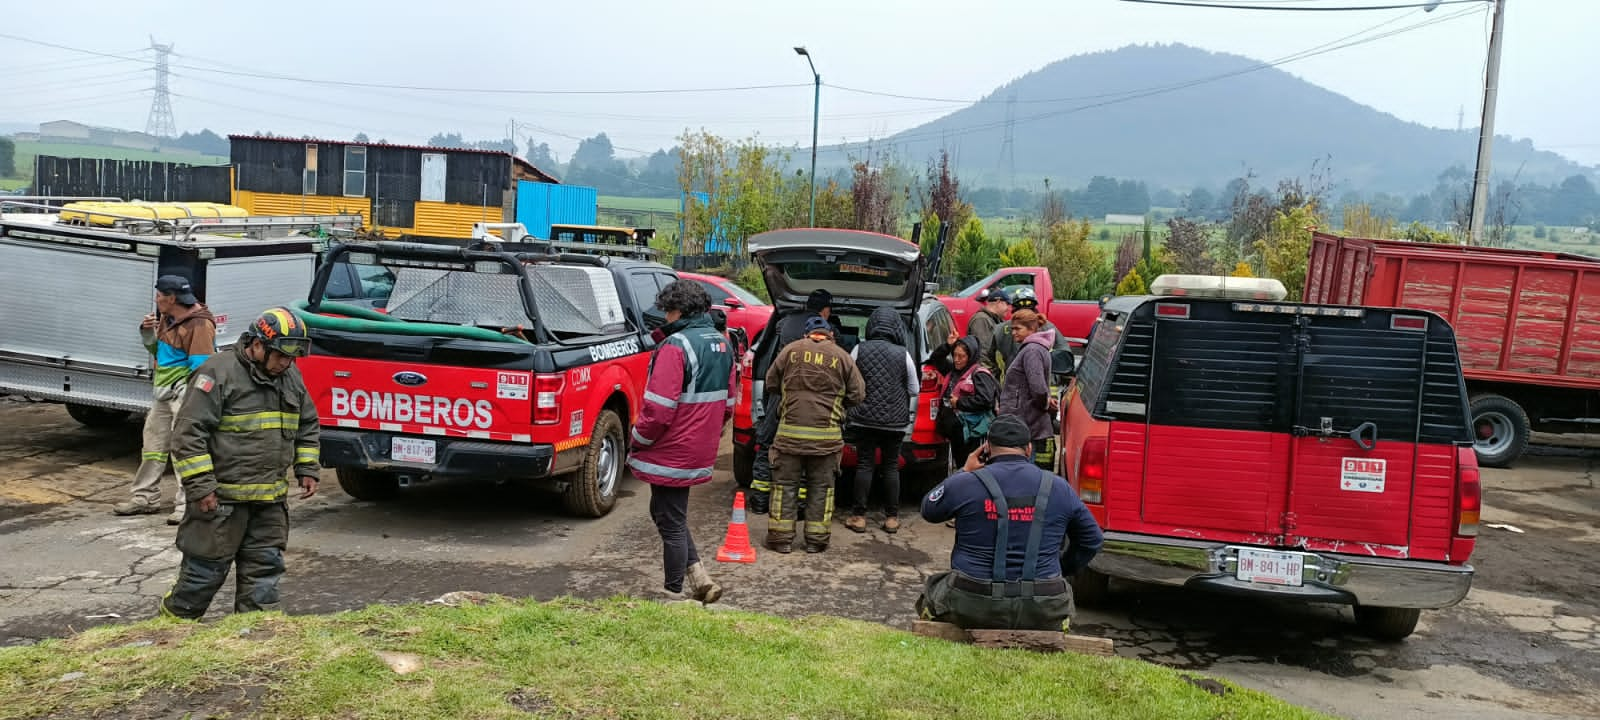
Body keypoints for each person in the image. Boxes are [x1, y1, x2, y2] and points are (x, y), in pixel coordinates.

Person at [159, 307, 320, 620]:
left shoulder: (290, 376)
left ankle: (253, 643)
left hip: (269, 504)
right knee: (202, 578)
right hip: (220, 502)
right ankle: (168, 634)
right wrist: (202, 486)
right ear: (257, 345)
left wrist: (307, 469)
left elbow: (307, 424)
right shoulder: (217, 373)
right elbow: (188, 435)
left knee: (264, 579)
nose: (286, 364)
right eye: (281, 356)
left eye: (293, 357)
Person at [916, 414, 1103, 631]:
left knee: (935, 587)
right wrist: (1061, 567)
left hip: (971, 602)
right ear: (1029, 449)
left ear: (986, 448)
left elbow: (929, 509)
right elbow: (1092, 540)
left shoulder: (966, 483)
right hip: (1044, 607)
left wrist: (964, 470)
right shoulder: (1059, 488)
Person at [628, 280, 736, 604]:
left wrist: (637, 438)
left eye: (667, 311)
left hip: (671, 447)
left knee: (671, 519)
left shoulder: (675, 347)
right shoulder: (722, 344)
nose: (665, 317)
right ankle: (699, 576)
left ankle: (672, 593)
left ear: (677, 310)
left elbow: (658, 410)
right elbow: (728, 404)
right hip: (697, 446)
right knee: (665, 511)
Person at [114, 275, 217, 525]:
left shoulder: (199, 325)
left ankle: (187, 504)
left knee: (184, 449)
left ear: (171, 298)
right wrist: (147, 332)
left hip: (182, 394)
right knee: (153, 447)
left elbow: (202, 367)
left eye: (159, 295)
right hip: (163, 394)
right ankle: (144, 498)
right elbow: (158, 352)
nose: (156, 299)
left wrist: (190, 398)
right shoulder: (167, 319)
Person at [764, 315, 865, 554]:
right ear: (830, 334)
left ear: (806, 334)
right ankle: (816, 541)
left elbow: (770, 383)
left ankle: (781, 540)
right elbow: (858, 394)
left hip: (789, 436)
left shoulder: (790, 350)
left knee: (784, 487)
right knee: (821, 489)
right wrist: (838, 402)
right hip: (826, 440)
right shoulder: (842, 356)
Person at [750, 289, 834, 515]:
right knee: (806, 452)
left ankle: (759, 499)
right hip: (814, 403)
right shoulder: (827, 336)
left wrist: (774, 397)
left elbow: (771, 374)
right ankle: (799, 506)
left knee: (766, 443)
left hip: (781, 395)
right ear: (825, 311)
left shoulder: (785, 323)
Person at [844, 307, 917, 534]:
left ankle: (858, 516)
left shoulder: (859, 349)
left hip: (863, 419)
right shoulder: (903, 353)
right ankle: (892, 518)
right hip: (894, 422)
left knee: (865, 465)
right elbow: (914, 389)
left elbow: (847, 381)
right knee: (891, 466)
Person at [928, 330, 999, 468]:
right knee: (961, 465)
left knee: (972, 467)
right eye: (954, 355)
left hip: (972, 434)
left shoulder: (979, 374)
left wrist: (959, 403)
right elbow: (936, 359)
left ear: (971, 356)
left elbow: (986, 400)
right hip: (956, 433)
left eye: (962, 356)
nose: (956, 360)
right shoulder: (952, 370)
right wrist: (948, 345)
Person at [997, 310, 1057, 468]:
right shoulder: (1033, 349)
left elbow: (1038, 387)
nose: (1013, 333)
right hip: (1025, 420)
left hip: (1025, 421)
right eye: (1012, 329)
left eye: (1018, 329)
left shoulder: (1032, 351)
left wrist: (1044, 403)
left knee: (1021, 468)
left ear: (1031, 329)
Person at [986, 286, 1070, 379]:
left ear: (1014, 308)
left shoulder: (999, 329)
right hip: (1040, 381)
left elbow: (988, 357)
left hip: (1010, 383)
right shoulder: (1047, 327)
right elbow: (1064, 355)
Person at [968, 288, 1010, 371]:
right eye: (1007, 304)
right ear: (998, 302)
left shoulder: (994, 320)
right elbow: (982, 354)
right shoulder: (981, 320)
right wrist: (989, 375)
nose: (1008, 308)